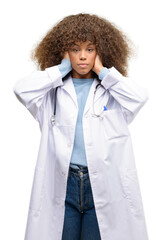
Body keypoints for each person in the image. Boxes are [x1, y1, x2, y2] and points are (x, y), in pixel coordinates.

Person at [13, 13, 149, 240]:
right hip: (64, 185)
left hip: (103, 185)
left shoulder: (111, 92)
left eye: (90, 49)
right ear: (64, 52)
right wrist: (61, 68)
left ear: (101, 51)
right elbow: (21, 89)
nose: (83, 57)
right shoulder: (51, 93)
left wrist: (102, 72)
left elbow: (140, 97)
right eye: (75, 49)